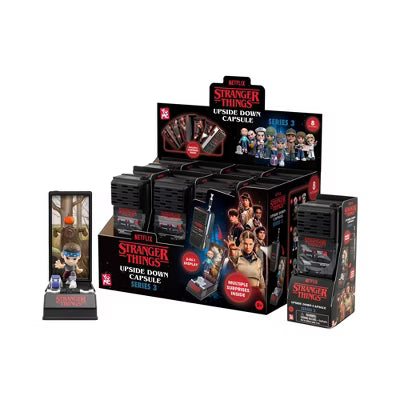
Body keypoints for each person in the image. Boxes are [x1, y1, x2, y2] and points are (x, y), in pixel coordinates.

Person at [224, 230, 265, 295]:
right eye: (245, 244)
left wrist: (262, 297)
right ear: (242, 243)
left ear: (254, 244)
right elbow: (232, 256)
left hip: (255, 295)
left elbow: (261, 283)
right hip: (241, 295)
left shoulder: (258, 261)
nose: (248, 247)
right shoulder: (238, 256)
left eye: (250, 244)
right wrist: (231, 249)